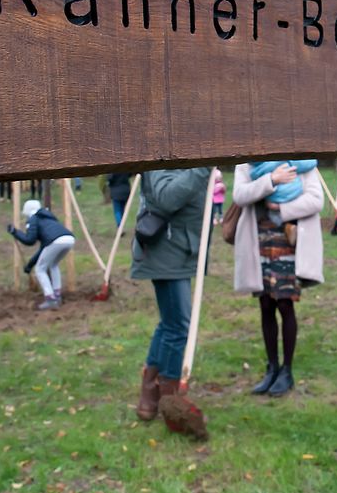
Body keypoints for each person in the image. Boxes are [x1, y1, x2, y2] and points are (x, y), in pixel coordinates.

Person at [232, 161, 325, 397]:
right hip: (259, 241)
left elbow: (316, 199)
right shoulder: (248, 162)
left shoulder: (301, 161)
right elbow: (240, 195)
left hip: (289, 242)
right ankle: (272, 368)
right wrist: (271, 179)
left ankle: (287, 371)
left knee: (285, 303)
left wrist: (282, 209)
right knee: (265, 304)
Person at [130, 167, 212, 422]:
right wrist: (203, 168)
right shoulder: (159, 155)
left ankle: (151, 390)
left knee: (170, 324)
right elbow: (167, 197)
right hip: (166, 252)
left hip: (176, 249)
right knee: (178, 327)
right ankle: (170, 396)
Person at [8, 199, 74, 310]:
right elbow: (43, 250)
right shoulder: (48, 217)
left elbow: (30, 240)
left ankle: (50, 298)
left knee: (40, 269)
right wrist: (29, 265)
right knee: (53, 265)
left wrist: (15, 232)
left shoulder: (33, 219)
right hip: (69, 239)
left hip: (55, 241)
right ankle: (57, 295)